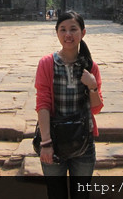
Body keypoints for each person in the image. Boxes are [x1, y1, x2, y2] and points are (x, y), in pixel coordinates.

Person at [35, 11, 103, 199]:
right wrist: (46, 143)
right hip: (53, 140)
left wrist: (92, 86)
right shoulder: (47, 64)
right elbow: (43, 104)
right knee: (56, 194)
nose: (68, 35)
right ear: (56, 32)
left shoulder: (90, 66)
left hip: (83, 141)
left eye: (73, 29)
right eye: (63, 30)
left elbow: (96, 108)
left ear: (83, 32)